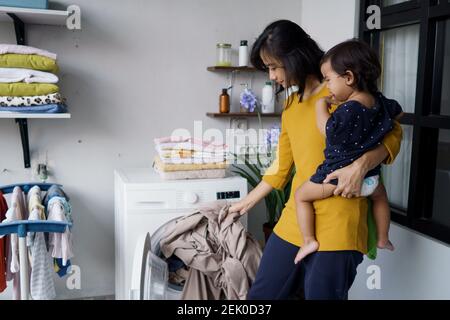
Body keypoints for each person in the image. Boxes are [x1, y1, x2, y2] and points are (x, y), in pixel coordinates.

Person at [229, 20, 403, 300]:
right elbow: (281, 166)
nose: (271, 77)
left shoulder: (340, 92)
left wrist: (362, 164)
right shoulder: (291, 105)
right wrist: (245, 203)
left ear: (293, 58)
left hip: (340, 223)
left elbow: (393, 132)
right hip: (294, 220)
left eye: (274, 67)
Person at [293, 40, 403, 264]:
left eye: (329, 80)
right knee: (381, 198)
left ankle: (308, 240)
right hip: (371, 180)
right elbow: (398, 114)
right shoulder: (379, 102)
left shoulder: (349, 109)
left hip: (335, 179)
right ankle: (383, 238)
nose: (328, 87)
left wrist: (320, 106)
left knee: (301, 196)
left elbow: (328, 131)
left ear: (349, 78)